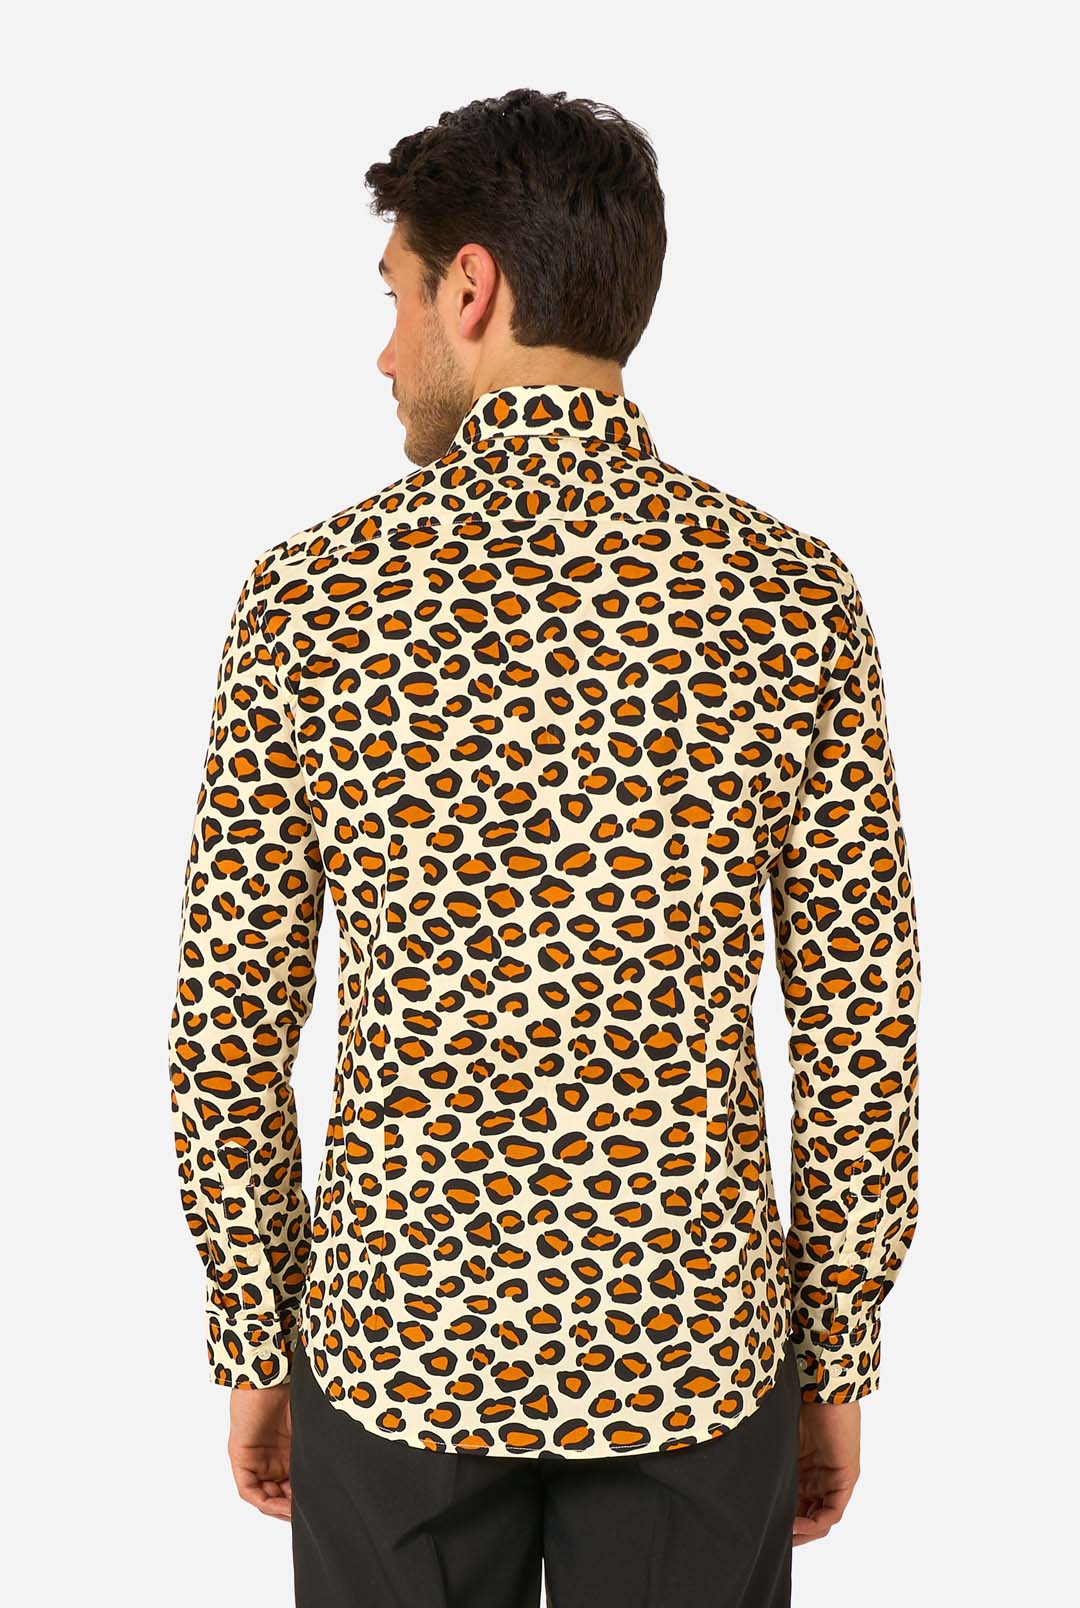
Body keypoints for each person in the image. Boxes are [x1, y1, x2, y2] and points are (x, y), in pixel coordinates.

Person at [167, 86, 921, 1607]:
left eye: (394, 296)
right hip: (693, 1358)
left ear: (473, 286)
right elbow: (862, 1021)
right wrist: (835, 1356)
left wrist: (254, 1334)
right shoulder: (790, 597)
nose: (385, 353)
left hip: (396, 1355)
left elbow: (229, 1018)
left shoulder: (313, 599)